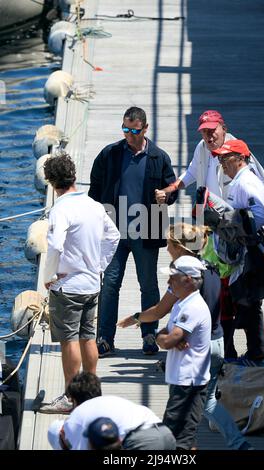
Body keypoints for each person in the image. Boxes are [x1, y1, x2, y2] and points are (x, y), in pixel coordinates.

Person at [118, 223, 254, 450]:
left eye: (169, 244)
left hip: (193, 348)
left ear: (179, 247)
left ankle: (185, 447)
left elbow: (160, 310)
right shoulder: (210, 268)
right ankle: (238, 443)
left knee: (181, 406)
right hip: (216, 341)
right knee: (206, 403)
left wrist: (137, 318)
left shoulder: (184, 278)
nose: (166, 248)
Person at [155, 109, 264, 355]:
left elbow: (258, 211)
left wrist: (241, 230)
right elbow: (191, 173)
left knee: (239, 291)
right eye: (205, 132)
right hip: (214, 230)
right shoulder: (203, 148)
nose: (209, 137)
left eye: (213, 131)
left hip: (235, 236)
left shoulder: (236, 157)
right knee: (222, 288)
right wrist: (171, 188)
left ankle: (255, 343)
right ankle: (228, 346)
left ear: (223, 128)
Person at [88, 106, 178, 357]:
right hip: (114, 232)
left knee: (148, 285)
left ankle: (149, 334)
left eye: (134, 130)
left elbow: (172, 190)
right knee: (110, 285)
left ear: (145, 128)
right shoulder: (110, 154)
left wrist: (165, 196)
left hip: (146, 230)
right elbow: (95, 186)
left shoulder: (159, 157)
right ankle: (105, 338)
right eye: (125, 129)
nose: (129, 135)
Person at [40, 154, 120, 414]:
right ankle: (91, 392)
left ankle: (71, 396)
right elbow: (113, 236)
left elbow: (53, 245)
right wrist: (100, 266)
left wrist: (49, 277)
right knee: (88, 338)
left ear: (52, 182)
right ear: (73, 176)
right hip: (91, 283)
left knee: (68, 340)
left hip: (69, 286)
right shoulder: (94, 205)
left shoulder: (60, 209)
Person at [211, 139, 264, 367]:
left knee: (250, 302)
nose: (222, 163)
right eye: (219, 159)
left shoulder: (245, 183)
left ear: (241, 158)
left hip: (250, 250)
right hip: (244, 250)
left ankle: (257, 354)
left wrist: (234, 227)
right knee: (245, 300)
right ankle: (255, 352)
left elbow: (260, 215)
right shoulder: (238, 182)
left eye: (225, 158)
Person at [156, 256, 211, 450]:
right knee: (185, 440)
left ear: (188, 279)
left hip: (188, 385)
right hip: (182, 382)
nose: (168, 282)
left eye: (173, 277)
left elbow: (169, 339)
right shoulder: (182, 303)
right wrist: (164, 337)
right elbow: (167, 335)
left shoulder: (192, 307)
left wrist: (164, 338)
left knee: (176, 442)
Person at [47, 372, 176, 450]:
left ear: (74, 400)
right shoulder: (111, 401)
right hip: (166, 434)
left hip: (139, 442)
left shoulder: (76, 418)